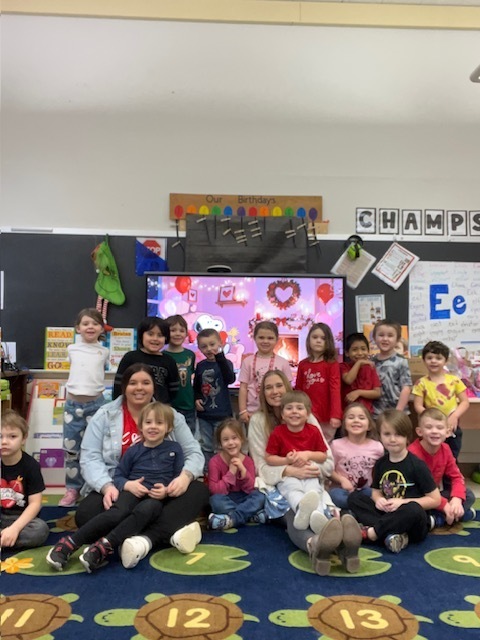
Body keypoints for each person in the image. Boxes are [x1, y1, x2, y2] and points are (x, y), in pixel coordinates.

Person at [74, 363, 209, 569]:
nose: (139, 388)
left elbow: (194, 453)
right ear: (123, 387)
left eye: (146, 383)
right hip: (120, 489)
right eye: (133, 383)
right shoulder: (105, 415)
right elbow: (90, 457)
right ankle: (158, 535)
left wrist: (184, 477)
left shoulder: (170, 415)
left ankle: (139, 539)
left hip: (161, 491)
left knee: (199, 491)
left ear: (154, 387)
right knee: (85, 514)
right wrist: (106, 486)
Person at [47, 402, 184, 572]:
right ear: (140, 426)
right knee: (117, 513)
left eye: (159, 423)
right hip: (132, 491)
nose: (153, 427)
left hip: (156, 498)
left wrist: (166, 491)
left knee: (147, 510)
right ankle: (70, 543)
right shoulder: (134, 451)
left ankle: (103, 547)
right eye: (148, 423)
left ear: (169, 427)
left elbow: (178, 477)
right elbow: (118, 476)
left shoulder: (175, 449)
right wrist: (128, 485)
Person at [248, 371, 362, 575]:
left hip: (310, 479)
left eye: (279, 385)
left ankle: (344, 544)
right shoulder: (258, 421)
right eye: (268, 387)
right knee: (294, 513)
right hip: (278, 485)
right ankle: (317, 544)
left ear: (287, 387)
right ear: (262, 393)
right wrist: (288, 470)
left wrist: (310, 468)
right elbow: (261, 467)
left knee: (322, 510)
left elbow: (326, 461)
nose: (274, 391)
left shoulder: (305, 415)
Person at [348, 409, 441, 553]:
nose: (392, 439)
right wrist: (379, 500)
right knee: (355, 498)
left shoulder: (417, 465)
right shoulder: (380, 464)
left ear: (407, 437)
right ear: (380, 436)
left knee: (413, 508)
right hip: (389, 515)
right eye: (387, 434)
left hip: (412, 521)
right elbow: (376, 492)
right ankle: (390, 535)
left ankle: (373, 534)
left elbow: (435, 499)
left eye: (398, 434)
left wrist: (402, 502)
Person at [60, 307, 109, 507]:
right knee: (72, 449)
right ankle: (73, 488)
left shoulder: (104, 351)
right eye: (86, 323)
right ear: (78, 328)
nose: (90, 327)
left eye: (95, 323)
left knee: (95, 448)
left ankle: (92, 487)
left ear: (102, 328)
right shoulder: (72, 349)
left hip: (96, 405)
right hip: (72, 406)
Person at [265, 391, 333, 531]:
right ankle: (301, 509)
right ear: (282, 414)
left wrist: (308, 455)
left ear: (308, 414)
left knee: (314, 492)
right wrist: (286, 460)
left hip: (310, 473)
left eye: (299, 408)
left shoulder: (313, 431)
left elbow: (323, 456)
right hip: (290, 475)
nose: (294, 412)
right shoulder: (278, 432)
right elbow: (269, 458)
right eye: (289, 408)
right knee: (292, 491)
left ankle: (318, 518)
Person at [408, 408, 476, 528]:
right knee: (412, 507)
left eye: (439, 428)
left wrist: (457, 499)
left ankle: (438, 518)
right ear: (419, 431)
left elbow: (456, 477)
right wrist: (444, 504)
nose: (434, 431)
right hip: (418, 495)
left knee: (468, 494)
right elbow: (416, 489)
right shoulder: (412, 453)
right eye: (429, 427)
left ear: (448, 432)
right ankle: (453, 515)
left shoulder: (446, 449)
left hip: (435, 496)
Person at [412, 340, 469, 460]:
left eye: (438, 358)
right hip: (431, 428)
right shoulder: (421, 383)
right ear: (424, 360)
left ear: (445, 360)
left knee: (451, 457)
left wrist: (454, 416)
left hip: (451, 426)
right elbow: (418, 406)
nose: (433, 361)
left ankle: (450, 479)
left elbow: (465, 402)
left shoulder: (454, 380)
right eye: (429, 357)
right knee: (430, 456)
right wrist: (430, 419)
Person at [1, 410, 49, 549]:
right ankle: (5, 539)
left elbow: (35, 504)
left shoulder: (31, 466)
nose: (4, 441)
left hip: (24, 520)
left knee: (40, 530)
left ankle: (6, 538)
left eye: (12, 436)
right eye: (0, 436)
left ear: (23, 438)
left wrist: (15, 529)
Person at [208, 418, 265, 530]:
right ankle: (250, 516)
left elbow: (250, 489)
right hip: (226, 498)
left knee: (260, 497)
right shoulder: (214, 462)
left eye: (234, 438)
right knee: (215, 501)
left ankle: (231, 519)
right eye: (226, 439)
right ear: (220, 443)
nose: (231, 443)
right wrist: (231, 472)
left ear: (242, 440)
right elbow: (215, 490)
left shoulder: (248, 460)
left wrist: (243, 471)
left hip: (244, 497)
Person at [329, 403, 384, 510]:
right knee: (336, 496)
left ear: (369, 425)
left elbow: (380, 472)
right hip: (342, 491)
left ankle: (352, 513)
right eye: (351, 417)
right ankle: (357, 512)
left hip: (365, 490)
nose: (356, 420)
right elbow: (329, 471)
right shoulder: (336, 445)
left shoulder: (377, 447)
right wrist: (341, 480)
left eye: (361, 418)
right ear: (344, 424)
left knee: (373, 496)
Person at [194, 328, 236, 469]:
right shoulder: (200, 366)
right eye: (204, 346)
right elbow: (197, 386)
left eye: (212, 344)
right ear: (199, 348)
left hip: (223, 414)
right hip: (204, 414)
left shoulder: (226, 363)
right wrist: (197, 398)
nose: (209, 349)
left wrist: (220, 357)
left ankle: (224, 470)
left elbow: (230, 379)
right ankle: (208, 470)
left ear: (220, 343)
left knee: (223, 444)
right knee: (206, 444)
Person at [113, 317, 179, 404]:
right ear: (142, 335)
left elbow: (174, 390)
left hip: (159, 410)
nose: (155, 339)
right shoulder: (130, 357)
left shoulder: (169, 361)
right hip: (132, 407)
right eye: (150, 334)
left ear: (166, 338)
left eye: (160, 335)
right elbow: (119, 385)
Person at [295, 322, 342, 442]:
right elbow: (299, 391)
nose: (318, 341)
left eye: (323, 338)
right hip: (307, 414)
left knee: (325, 445)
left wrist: (336, 415)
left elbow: (335, 389)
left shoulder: (331, 364)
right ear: (309, 340)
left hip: (326, 416)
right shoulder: (303, 364)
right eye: (315, 337)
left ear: (328, 342)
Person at [238, 320, 292, 424]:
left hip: (277, 412)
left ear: (277, 339)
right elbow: (243, 388)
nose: (265, 341)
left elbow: (288, 388)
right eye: (261, 337)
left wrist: (287, 410)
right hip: (253, 412)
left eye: (270, 338)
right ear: (255, 338)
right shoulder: (247, 361)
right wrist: (243, 410)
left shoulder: (283, 362)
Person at [371, 319, 412, 418]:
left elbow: (406, 388)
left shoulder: (401, 361)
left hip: (397, 412)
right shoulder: (371, 362)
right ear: (374, 338)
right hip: (376, 414)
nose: (385, 339)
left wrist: (398, 411)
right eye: (381, 335)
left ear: (397, 340)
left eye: (390, 336)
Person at [165, 314, 196, 435]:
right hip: (170, 406)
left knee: (189, 437)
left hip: (188, 406)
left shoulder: (190, 355)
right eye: (173, 330)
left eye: (182, 331)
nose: (178, 334)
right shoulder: (163, 356)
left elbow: (191, 377)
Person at [340, 333, 381, 413]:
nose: (360, 353)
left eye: (363, 349)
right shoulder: (343, 366)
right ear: (347, 353)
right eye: (355, 350)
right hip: (347, 412)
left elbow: (377, 393)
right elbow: (348, 380)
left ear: (368, 351)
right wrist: (359, 363)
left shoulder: (371, 368)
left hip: (366, 412)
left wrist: (359, 392)